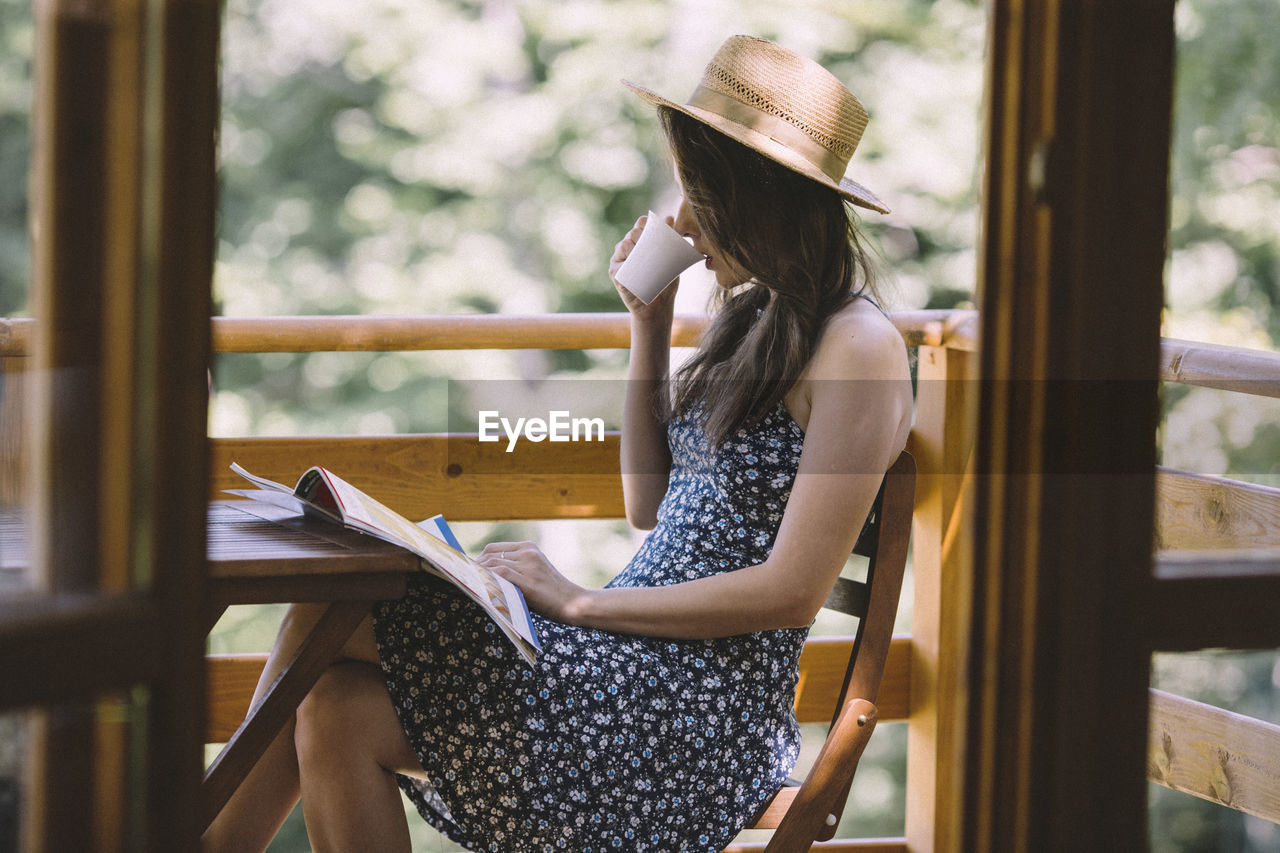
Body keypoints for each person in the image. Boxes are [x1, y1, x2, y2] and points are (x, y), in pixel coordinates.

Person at [203, 34, 912, 853]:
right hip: (624, 662)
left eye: (699, 199)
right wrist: (648, 325)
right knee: (334, 709)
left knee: (336, 603)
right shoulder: (757, 316)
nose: (682, 220)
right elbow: (650, 503)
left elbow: (791, 591)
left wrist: (576, 601)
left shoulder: (858, 345)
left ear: (756, 201)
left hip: (689, 713)